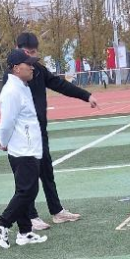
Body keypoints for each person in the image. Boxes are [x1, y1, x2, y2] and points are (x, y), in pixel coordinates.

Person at [15, 32, 100, 228]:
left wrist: (86, 96)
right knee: (27, 176)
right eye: (27, 52)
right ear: (18, 49)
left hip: (39, 132)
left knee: (47, 172)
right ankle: (30, 216)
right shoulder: (12, 75)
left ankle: (57, 211)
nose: (31, 56)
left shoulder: (38, 69)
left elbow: (59, 84)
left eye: (34, 52)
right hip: (23, 134)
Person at [0, 50, 47, 249]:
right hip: (22, 149)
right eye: (27, 64)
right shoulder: (12, 91)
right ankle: (2, 223)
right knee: (27, 191)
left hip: (28, 147)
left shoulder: (21, 87)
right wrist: (3, 141)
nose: (32, 67)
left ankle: (24, 232)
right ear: (16, 68)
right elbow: (7, 122)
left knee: (26, 190)